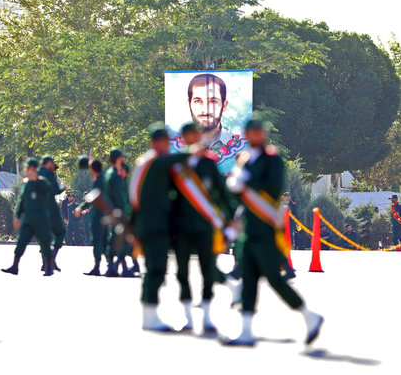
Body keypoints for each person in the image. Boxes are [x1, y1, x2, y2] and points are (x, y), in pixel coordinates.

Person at [223, 118, 323, 346]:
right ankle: (245, 330)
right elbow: (240, 195)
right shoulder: (246, 160)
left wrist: (245, 183)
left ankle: (310, 316)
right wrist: (234, 188)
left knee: (274, 278)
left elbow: (272, 187)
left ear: (264, 134)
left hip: (266, 227)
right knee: (248, 278)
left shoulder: (272, 159)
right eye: (251, 132)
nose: (255, 136)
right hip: (249, 227)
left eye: (258, 132)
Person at [170, 121, 239, 333]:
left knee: (207, 270)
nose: (192, 139)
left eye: (195, 135)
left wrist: (232, 218)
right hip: (181, 227)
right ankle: (187, 317)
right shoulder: (176, 164)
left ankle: (208, 317)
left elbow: (222, 193)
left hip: (205, 227)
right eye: (188, 135)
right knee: (181, 273)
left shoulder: (208, 164)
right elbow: (169, 196)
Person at [129, 122, 191, 331]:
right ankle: (149, 316)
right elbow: (178, 159)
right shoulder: (154, 162)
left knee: (156, 268)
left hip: (150, 224)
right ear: (157, 143)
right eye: (165, 141)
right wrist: (195, 148)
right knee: (156, 269)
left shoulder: (147, 162)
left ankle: (150, 314)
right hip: (154, 226)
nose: (167, 145)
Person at [1, 157, 55, 276]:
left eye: (30, 169)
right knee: (21, 241)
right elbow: (22, 201)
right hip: (28, 219)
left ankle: (49, 267)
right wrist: (17, 216)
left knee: (45, 244)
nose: (27, 171)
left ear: (35, 169)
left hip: (41, 219)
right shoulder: (26, 184)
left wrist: (38, 180)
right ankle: (15, 266)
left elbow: (50, 193)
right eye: (27, 169)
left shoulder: (42, 182)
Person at [187, 74, 242, 149]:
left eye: (213, 101)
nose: (205, 110)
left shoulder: (240, 145)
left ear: (224, 105)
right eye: (198, 101)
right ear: (189, 104)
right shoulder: (173, 146)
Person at [77, 159, 109, 276]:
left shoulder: (99, 180)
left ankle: (98, 267)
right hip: (103, 214)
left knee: (97, 240)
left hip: (98, 215)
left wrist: (81, 206)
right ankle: (111, 266)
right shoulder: (103, 179)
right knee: (104, 241)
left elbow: (94, 196)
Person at [104, 148, 130, 277]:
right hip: (117, 211)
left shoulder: (112, 173)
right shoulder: (114, 175)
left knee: (118, 239)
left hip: (115, 210)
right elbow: (118, 195)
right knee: (117, 239)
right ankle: (114, 268)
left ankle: (116, 267)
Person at [38, 156, 66, 271]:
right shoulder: (49, 174)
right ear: (49, 163)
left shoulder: (37, 173)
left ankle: (45, 262)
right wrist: (62, 188)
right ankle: (52, 259)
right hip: (50, 208)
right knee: (60, 233)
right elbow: (55, 190)